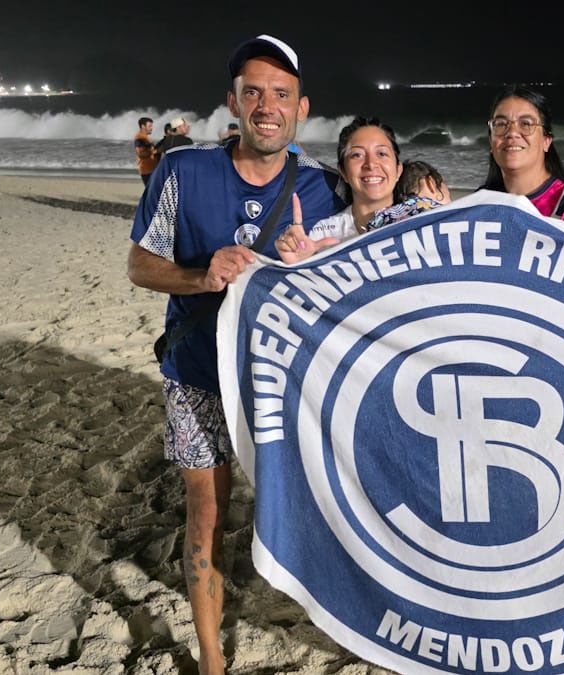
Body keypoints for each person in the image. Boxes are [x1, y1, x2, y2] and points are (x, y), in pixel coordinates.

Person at [126, 34, 345, 674]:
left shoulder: (323, 187)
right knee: (208, 512)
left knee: (319, 508)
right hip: (197, 374)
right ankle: (214, 659)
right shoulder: (183, 171)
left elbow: (375, 250)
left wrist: (320, 258)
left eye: (282, 94)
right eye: (254, 92)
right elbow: (140, 264)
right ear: (233, 102)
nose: (267, 105)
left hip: (283, 382)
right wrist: (202, 276)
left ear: (302, 108)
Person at [480, 84, 564, 232]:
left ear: (546, 141)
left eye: (526, 124)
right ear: (491, 142)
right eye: (501, 124)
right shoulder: (479, 204)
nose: (512, 132)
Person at [134, 116, 159, 185]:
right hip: (146, 170)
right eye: (149, 126)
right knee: (152, 193)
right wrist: (155, 151)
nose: (151, 128)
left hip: (151, 169)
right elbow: (140, 153)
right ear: (143, 126)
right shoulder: (140, 137)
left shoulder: (145, 137)